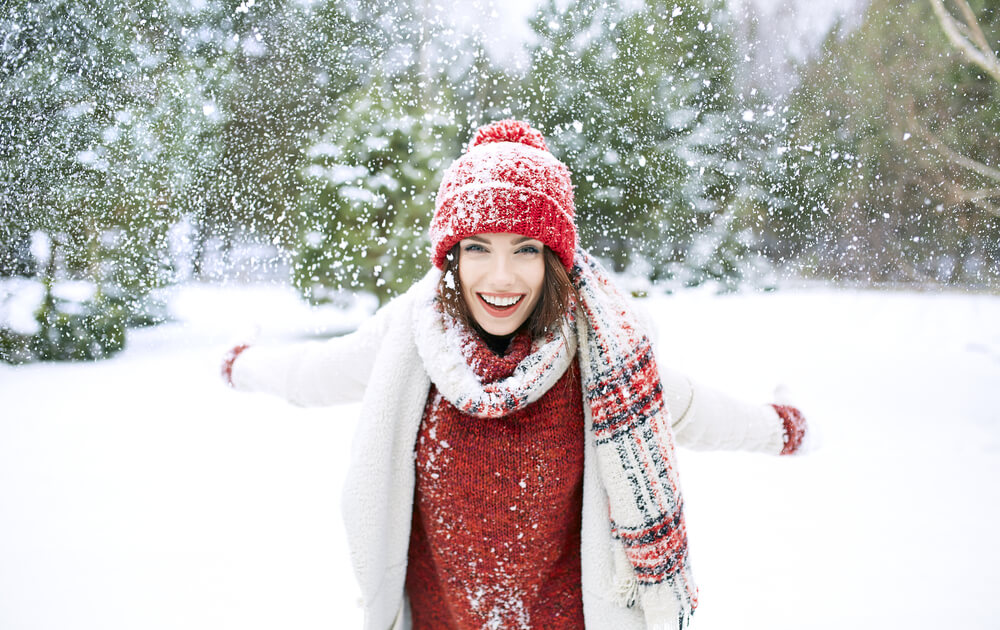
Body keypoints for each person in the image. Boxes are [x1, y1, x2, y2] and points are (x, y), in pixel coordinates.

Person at [221, 120, 809, 630]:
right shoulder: (412, 338)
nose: (501, 277)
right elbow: (314, 375)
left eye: (526, 248)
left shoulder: (602, 358)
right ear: (451, 256)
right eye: (477, 246)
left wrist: (779, 428)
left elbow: (697, 410)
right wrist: (243, 365)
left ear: (555, 259)